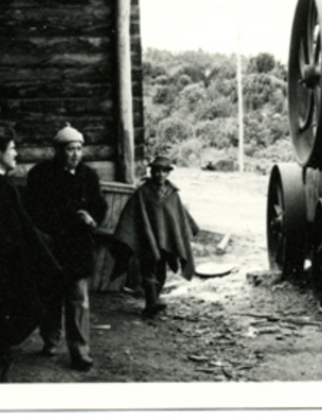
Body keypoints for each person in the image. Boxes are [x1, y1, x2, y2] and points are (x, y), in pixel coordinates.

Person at [26, 124, 107, 371]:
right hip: (51, 246)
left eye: (79, 149)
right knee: (51, 297)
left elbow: (99, 206)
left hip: (78, 247)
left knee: (78, 300)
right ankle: (50, 340)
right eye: (70, 149)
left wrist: (92, 220)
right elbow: (32, 211)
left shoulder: (88, 176)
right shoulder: (41, 174)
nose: (76, 154)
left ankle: (80, 351)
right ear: (59, 150)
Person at [0, 127, 63, 382]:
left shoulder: (7, 187)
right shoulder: (3, 190)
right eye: (12, 148)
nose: (17, 153)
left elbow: (24, 228)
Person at [110, 156, 200, 317]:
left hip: (165, 240)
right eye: (156, 171)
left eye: (164, 171)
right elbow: (131, 216)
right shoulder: (143, 192)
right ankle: (150, 304)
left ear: (168, 173)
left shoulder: (173, 194)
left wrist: (187, 229)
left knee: (161, 272)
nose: (160, 175)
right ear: (151, 172)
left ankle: (155, 300)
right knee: (148, 271)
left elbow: (178, 216)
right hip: (146, 240)